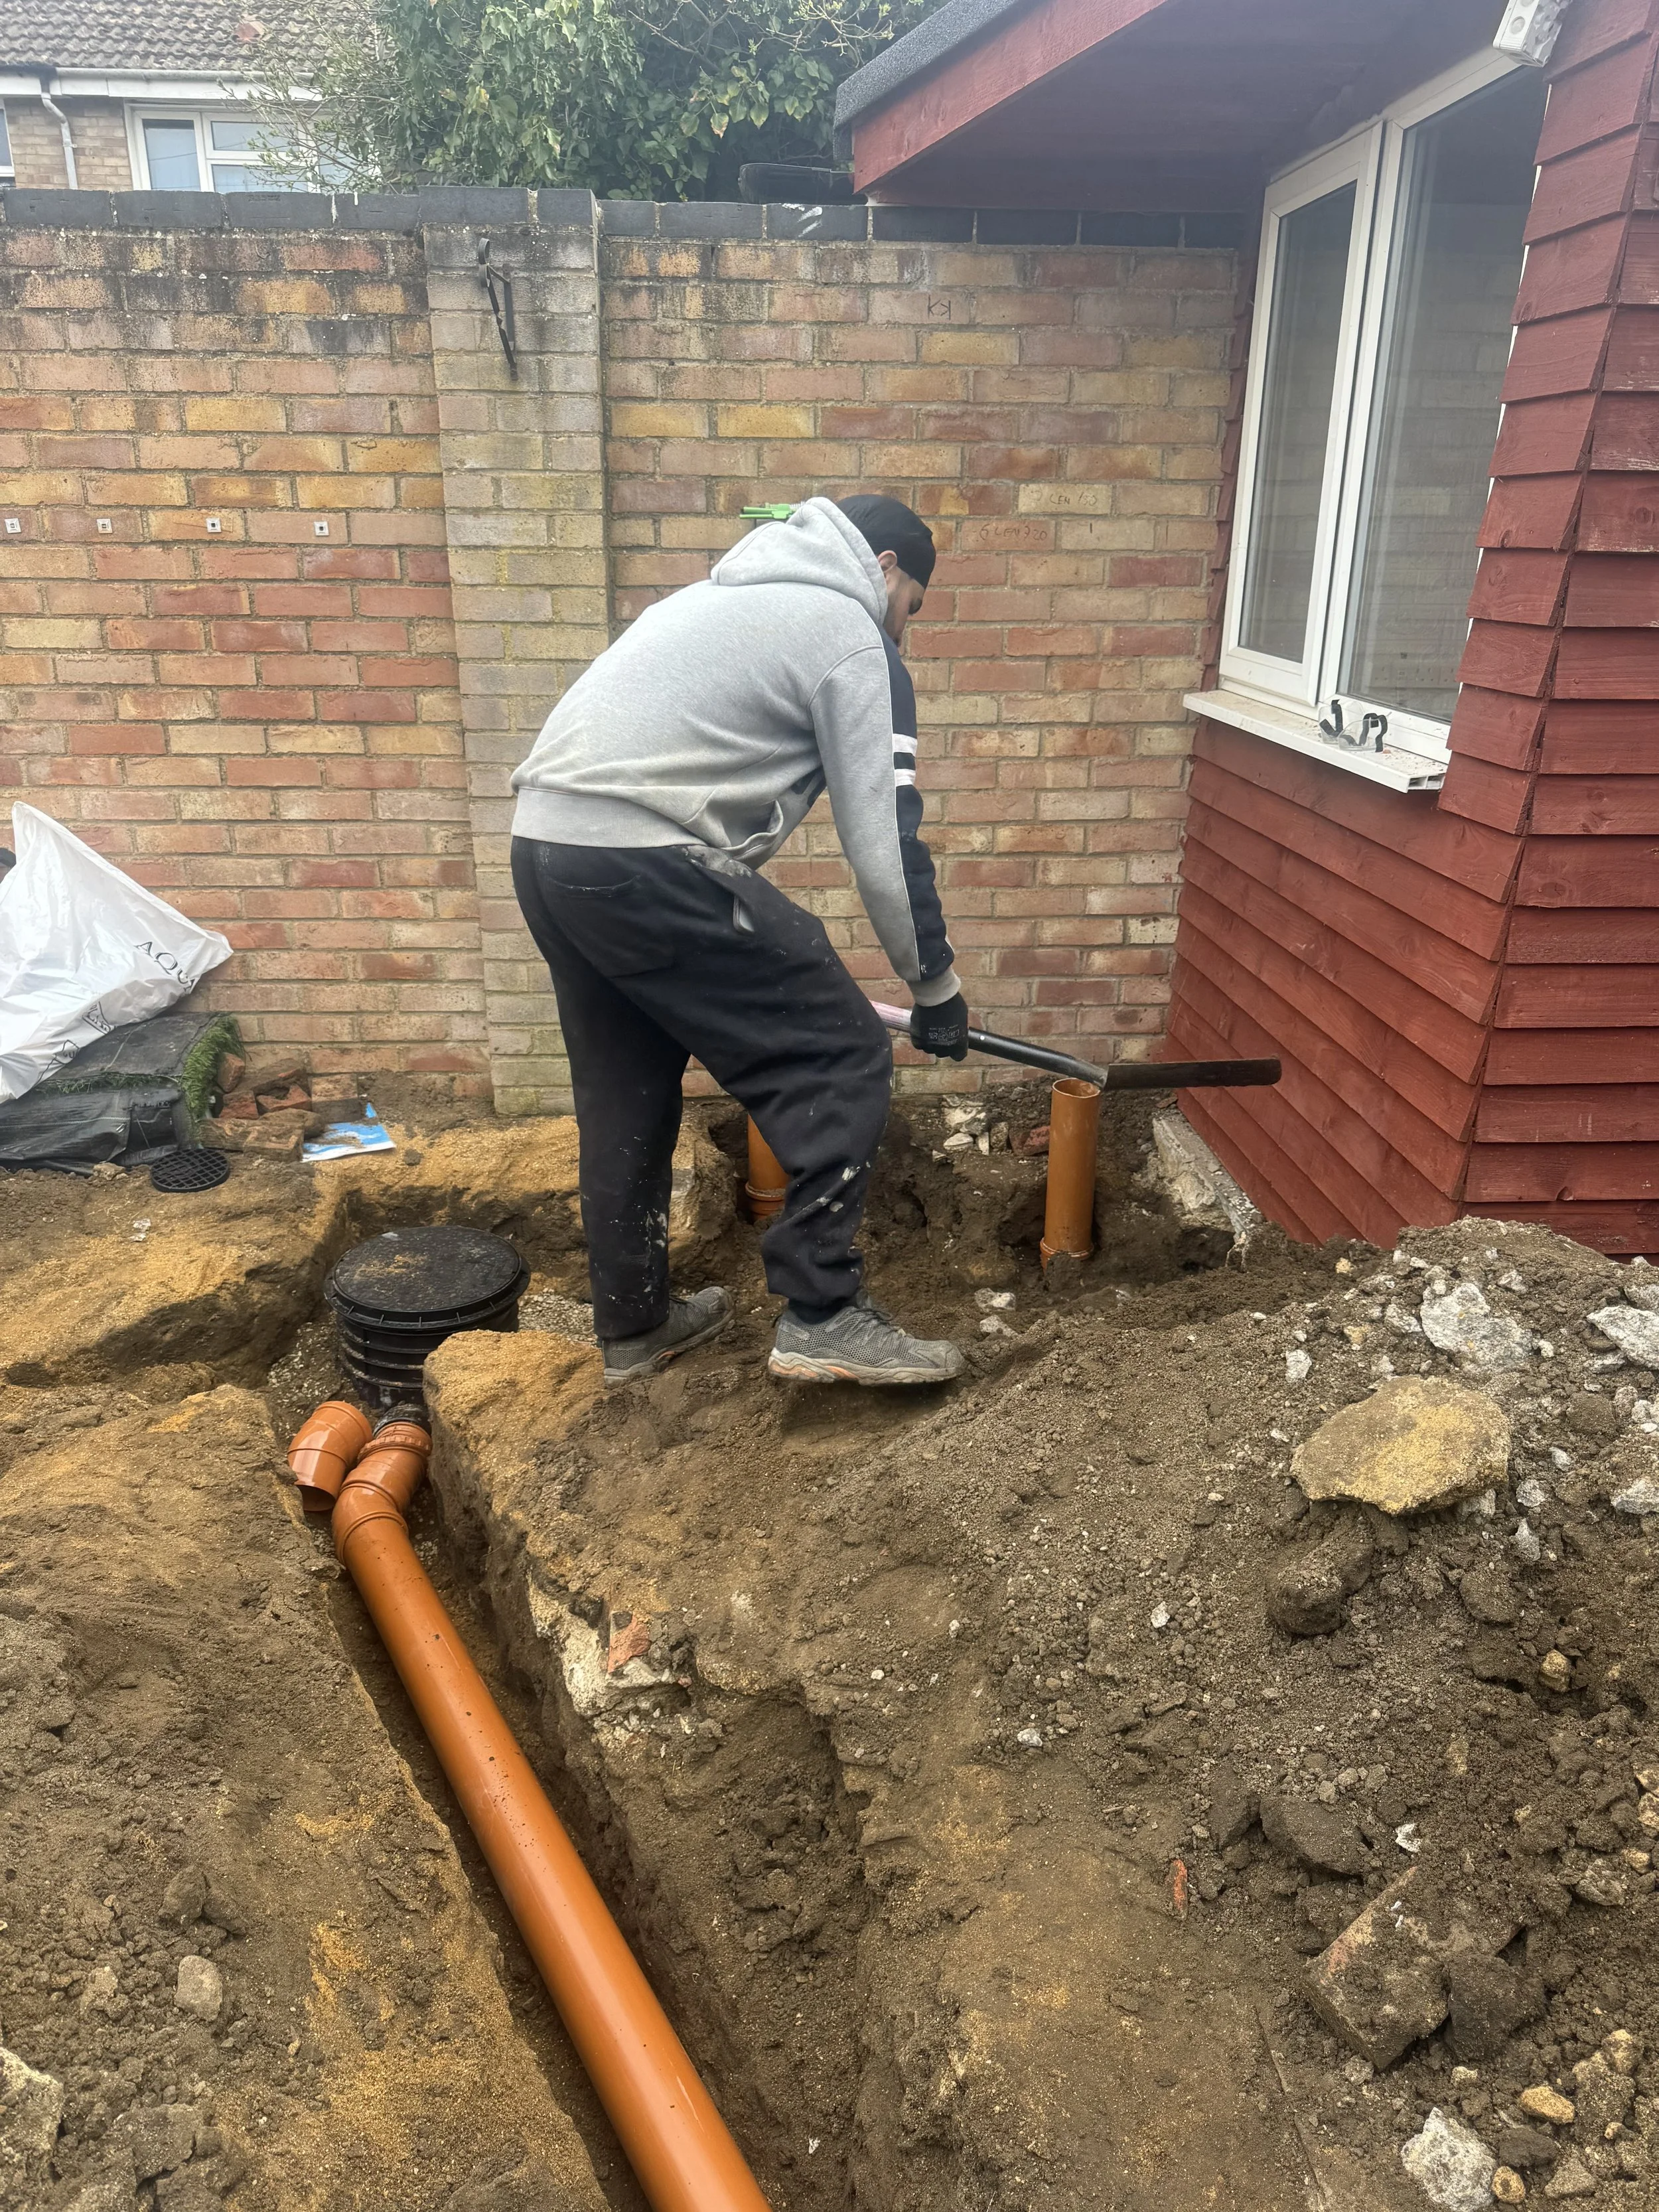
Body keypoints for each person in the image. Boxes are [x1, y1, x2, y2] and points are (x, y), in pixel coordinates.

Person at [510, 492, 971, 1387]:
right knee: (839, 1050)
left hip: (549, 852)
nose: (905, 630)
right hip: (643, 856)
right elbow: (885, 844)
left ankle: (636, 1328)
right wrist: (937, 990)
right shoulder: (847, 633)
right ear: (884, 568)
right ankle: (825, 1314)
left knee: (627, 1090)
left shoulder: (711, 601)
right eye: (912, 604)